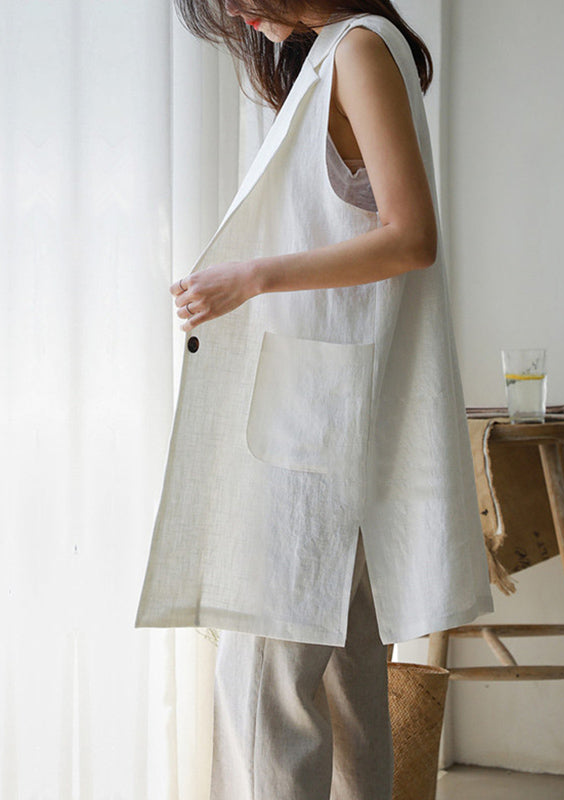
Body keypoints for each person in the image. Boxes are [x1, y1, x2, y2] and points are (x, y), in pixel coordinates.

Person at [134, 0, 495, 797]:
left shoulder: (357, 51)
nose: (235, 13)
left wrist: (251, 276)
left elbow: (411, 236)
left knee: (264, 692)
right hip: (331, 426)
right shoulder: (351, 49)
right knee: (346, 689)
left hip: (311, 437)